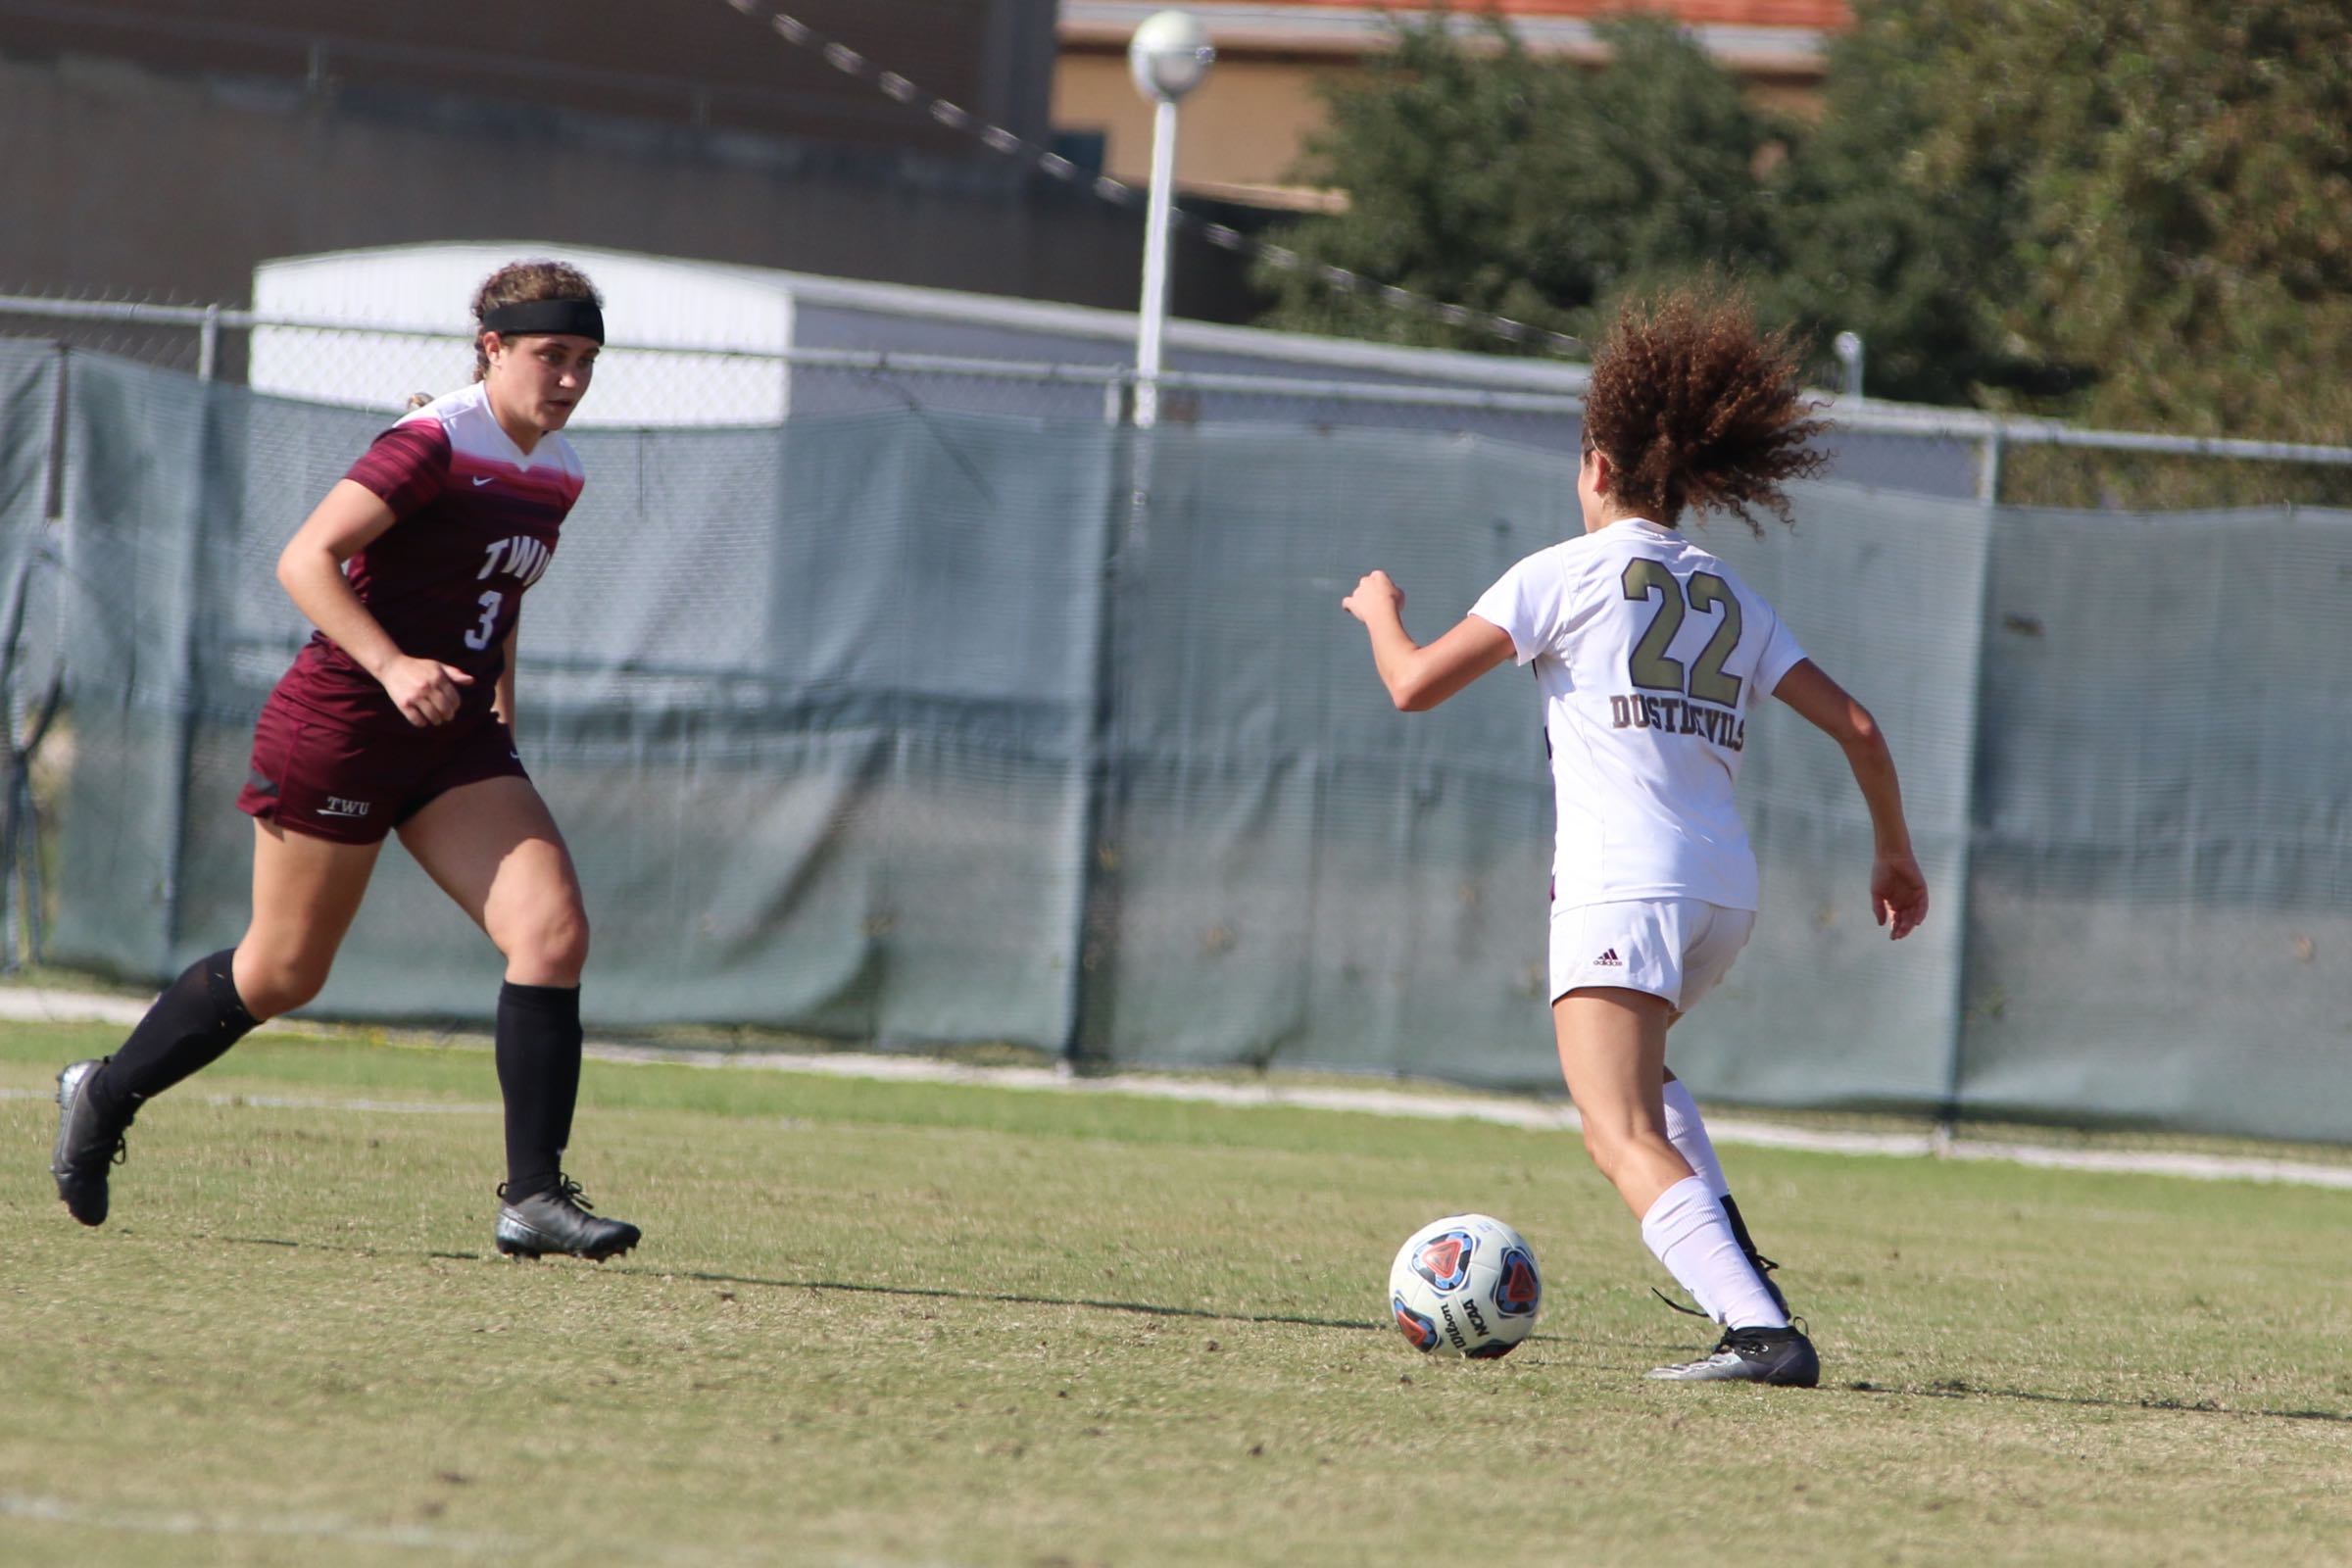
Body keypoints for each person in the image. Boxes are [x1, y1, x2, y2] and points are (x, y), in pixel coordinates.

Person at [1342, 285, 1929, 1386]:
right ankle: (1745, 1291)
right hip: (1722, 896)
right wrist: (1893, 850)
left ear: (1599, 468)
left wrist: (1378, 607)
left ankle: (1759, 1331)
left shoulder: (1562, 573)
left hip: (1624, 889)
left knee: (1614, 1129)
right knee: (1650, 1094)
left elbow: (1414, 685)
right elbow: (1858, 725)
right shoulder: (1732, 596)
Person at [51, 259, 640, 1262]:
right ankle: (102, 1092)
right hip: (344, 725)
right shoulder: (431, 442)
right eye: (551, 354)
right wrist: (393, 662)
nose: (572, 377)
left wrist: (500, 705)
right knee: (283, 971)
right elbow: (304, 558)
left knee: (552, 932)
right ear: (491, 348)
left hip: (453, 736)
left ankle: (532, 1195)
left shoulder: (562, 468)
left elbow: (496, 592)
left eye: (586, 357)